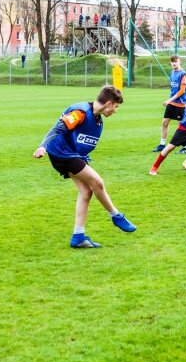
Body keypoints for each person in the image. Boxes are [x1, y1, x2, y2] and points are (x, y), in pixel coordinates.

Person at [33, 84, 136, 248]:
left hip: (72, 154)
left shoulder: (97, 119)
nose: (115, 111)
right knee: (97, 182)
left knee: (86, 191)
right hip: (62, 154)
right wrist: (42, 146)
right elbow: (57, 128)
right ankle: (116, 216)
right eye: (116, 107)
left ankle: (78, 237)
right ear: (108, 103)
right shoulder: (80, 112)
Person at [152, 54, 186, 154]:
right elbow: (172, 88)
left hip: (180, 104)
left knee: (182, 125)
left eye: (175, 61)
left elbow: (182, 91)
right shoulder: (172, 73)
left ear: (179, 61)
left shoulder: (183, 74)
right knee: (164, 122)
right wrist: (171, 100)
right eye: (172, 61)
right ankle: (162, 145)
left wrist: (169, 100)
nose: (174, 63)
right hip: (172, 102)